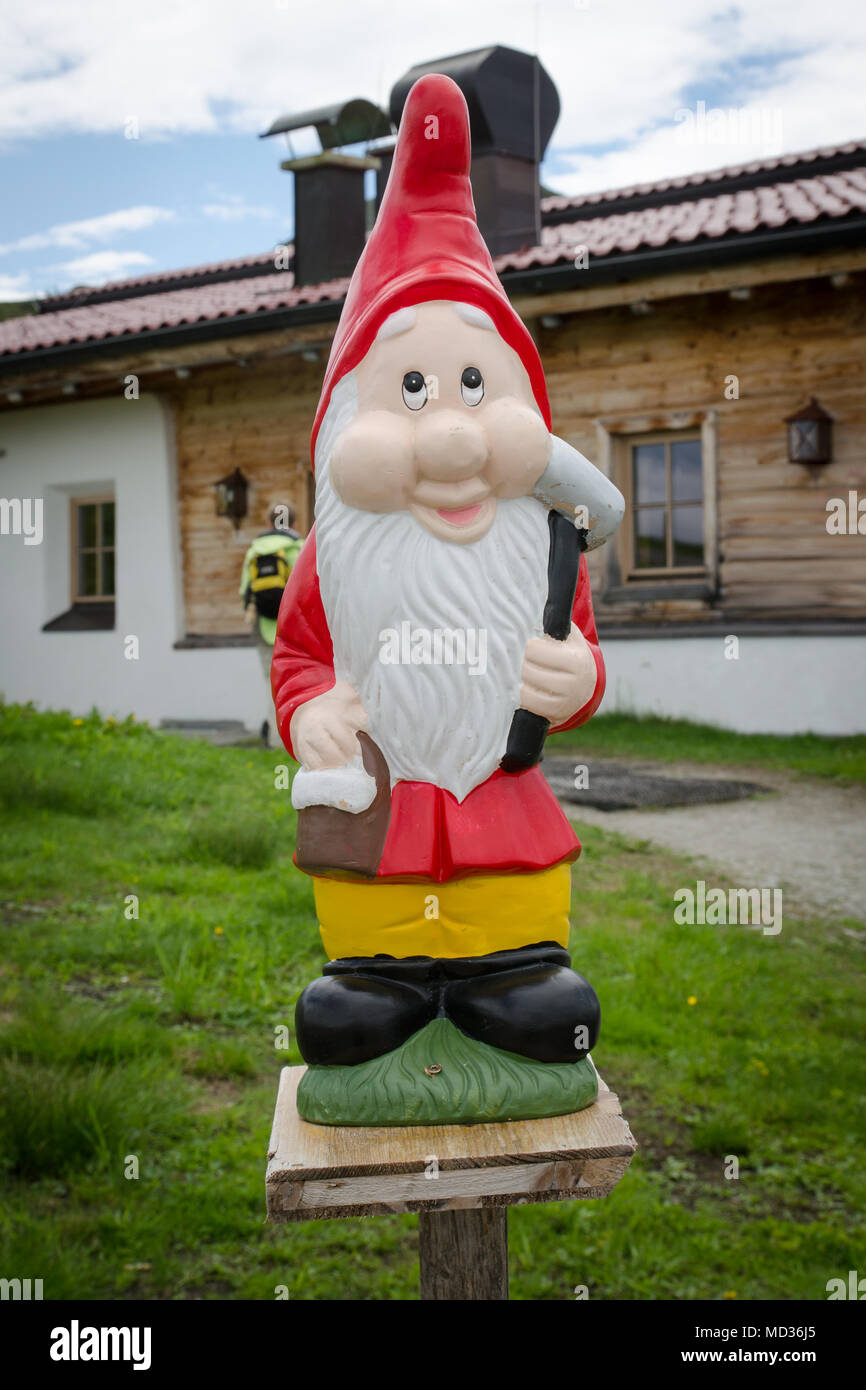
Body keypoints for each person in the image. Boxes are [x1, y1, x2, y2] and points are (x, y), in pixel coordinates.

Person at [239, 503, 302, 745]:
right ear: (294, 524)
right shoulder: (300, 547)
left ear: (267, 524)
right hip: (292, 628)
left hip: (262, 626)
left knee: (271, 681)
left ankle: (276, 739)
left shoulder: (254, 551)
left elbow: (243, 590)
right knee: (294, 680)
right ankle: (293, 738)